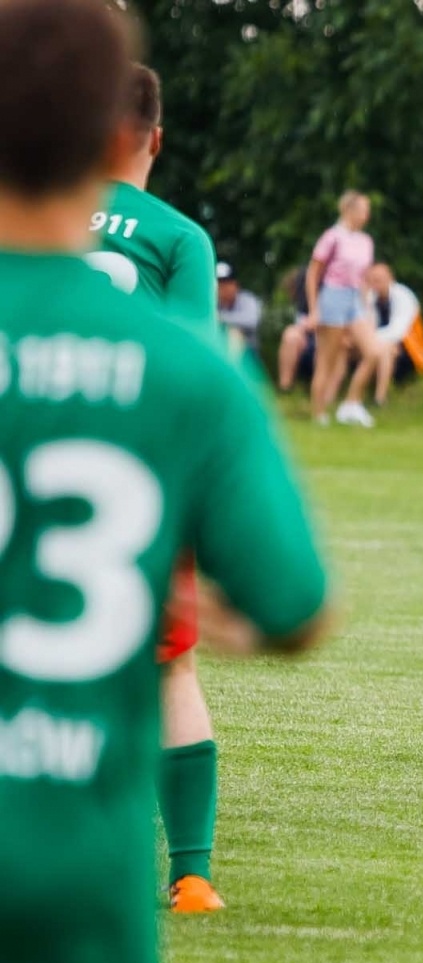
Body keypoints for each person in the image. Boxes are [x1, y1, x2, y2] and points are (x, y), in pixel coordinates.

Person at [0, 0, 332, 963]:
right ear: (121, 137)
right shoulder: (188, 365)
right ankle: (190, 865)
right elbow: (294, 602)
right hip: (72, 926)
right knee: (174, 671)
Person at [88, 61, 234, 913]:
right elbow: (185, 372)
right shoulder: (176, 236)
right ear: (155, 138)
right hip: (132, 484)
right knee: (170, 673)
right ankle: (191, 876)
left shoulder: (23, 222)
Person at [305, 189, 375, 426]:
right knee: (328, 359)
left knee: (373, 351)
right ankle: (318, 412)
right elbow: (313, 273)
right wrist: (314, 309)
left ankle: (351, 404)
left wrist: (367, 309)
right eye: (363, 210)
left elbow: (364, 278)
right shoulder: (332, 237)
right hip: (333, 296)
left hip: (355, 299)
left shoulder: (366, 241)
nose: (367, 215)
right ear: (348, 210)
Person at [338, 262, 423, 419]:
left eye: (378, 280)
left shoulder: (404, 296)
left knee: (385, 348)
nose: (374, 284)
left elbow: (397, 331)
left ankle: (379, 398)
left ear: (390, 279)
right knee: (347, 347)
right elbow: (364, 323)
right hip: (381, 345)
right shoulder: (370, 297)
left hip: (409, 351)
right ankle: (340, 394)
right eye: (371, 280)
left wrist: (367, 339)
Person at [216, 260, 263, 362]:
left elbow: (252, 321)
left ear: (235, 285)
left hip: (248, 355)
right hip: (219, 353)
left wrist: (220, 318)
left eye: (226, 283)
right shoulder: (213, 303)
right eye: (219, 284)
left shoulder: (247, 299)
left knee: (234, 335)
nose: (222, 288)